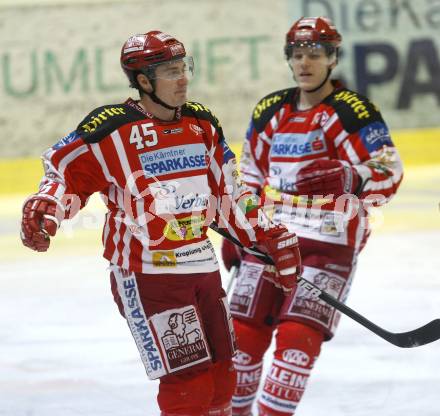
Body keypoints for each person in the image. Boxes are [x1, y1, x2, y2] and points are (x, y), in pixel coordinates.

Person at [20, 30, 302, 416]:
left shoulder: (202, 123)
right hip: (147, 272)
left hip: (202, 266)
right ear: (143, 81)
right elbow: (62, 169)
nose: (183, 77)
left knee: (223, 379)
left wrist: (268, 237)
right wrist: (48, 204)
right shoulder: (112, 128)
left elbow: (231, 194)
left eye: (184, 67)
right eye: (171, 71)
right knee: (189, 384)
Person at [221, 17, 403, 416]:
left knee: (297, 341)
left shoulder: (353, 111)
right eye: (298, 54)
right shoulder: (272, 108)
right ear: (289, 59)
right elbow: (250, 174)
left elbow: (391, 168)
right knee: (242, 336)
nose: (305, 63)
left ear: (333, 58)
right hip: (270, 237)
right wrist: (241, 228)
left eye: (315, 53)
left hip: (328, 242)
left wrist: (353, 176)